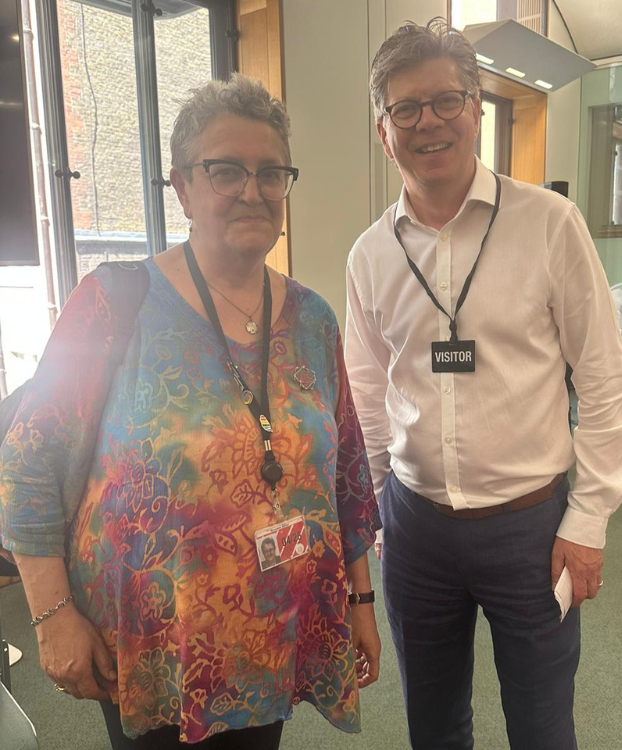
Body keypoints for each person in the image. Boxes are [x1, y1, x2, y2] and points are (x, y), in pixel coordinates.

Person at [0, 74, 381, 748]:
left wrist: (360, 602)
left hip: (273, 629)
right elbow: (27, 459)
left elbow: (346, 471)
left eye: (272, 173)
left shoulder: (312, 319)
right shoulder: (114, 303)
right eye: (225, 170)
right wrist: (51, 614)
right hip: (152, 644)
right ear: (182, 186)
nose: (252, 190)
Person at [345, 18, 622, 750]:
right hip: (415, 527)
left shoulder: (550, 224)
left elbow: (602, 382)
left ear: (476, 109)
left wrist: (589, 521)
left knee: (542, 724)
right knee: (432, 724)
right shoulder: (371, 255)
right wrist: (376, 504)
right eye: (405, 109)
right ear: (383, 131)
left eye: (446, 100)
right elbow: (366, 388)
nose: (428, 122)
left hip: (531, 528)